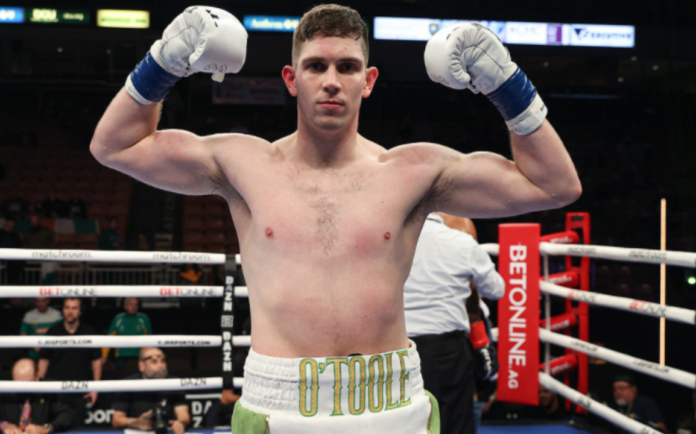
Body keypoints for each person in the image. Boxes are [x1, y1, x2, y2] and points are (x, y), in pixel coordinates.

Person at [90, 5, 580, 433]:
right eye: (315, 66)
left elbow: (554, 185)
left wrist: (506, 84)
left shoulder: (415, 171)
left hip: (392, 402)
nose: (330, 80)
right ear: (290, 78)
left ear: (367, 82)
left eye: (347, 67)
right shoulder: (242, 164)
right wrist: (164, 61)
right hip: (276, 404)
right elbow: (113, 146)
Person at [404, 213, 504, 433]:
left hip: (399, 347)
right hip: (447, 350)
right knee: (455, 421)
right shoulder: (461, 241)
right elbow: (496, 290)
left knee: (404, 421)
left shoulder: (393, 242)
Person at [38, 298, 102, 414]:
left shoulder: (89, 332)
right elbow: (44, 359)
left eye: (74, 308)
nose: (70, 311)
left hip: (81, 391)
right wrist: (39, 386)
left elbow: (96, 361)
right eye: (67, 308)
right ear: (63, 310)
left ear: (80, 311)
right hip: (56, 391)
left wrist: (95, 388)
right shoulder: (53, 332)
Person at [111, 348, 190, 434]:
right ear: (142, 366)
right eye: (154, 361)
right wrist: (134, 422)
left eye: (162, 361)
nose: (160, 365)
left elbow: (183, 415)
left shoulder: (174, 383)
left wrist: (181, 423)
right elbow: (116, 420)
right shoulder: (129, 384)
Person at [0, 359, 75, 434]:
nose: (21, 388)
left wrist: (47, 428)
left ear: (37, 377)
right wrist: (3, 425)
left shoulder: (49, 389)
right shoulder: (5, 389)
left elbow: (67, 414)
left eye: (26, 384)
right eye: (17, 383)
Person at [102, 297, 152, 370]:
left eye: (136, 305)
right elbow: (108, 338)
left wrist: (148, 355)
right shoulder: (118, 318)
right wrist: (104, 356)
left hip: (139, 356)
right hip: (122, 357)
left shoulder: (144, 318)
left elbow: (149, 338)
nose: (134, 307)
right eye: (131, 304)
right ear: (125, 306)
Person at [22, 215, 56, 285]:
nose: (33, 222)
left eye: (35, 221)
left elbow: (56, 238)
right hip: (31, 258)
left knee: (44, 276)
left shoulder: (46, 230)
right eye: (32, 221)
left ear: (38, 221)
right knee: (31, 277)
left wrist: (50, 249)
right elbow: (24, 243)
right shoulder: (27, 232)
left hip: (44, 258)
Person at [0, 218, 24, 284]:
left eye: (13, 223)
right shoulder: (1, 233)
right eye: (10, 223)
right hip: (3, 255)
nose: (12, 225)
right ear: (6, 224)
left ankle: (15, 283)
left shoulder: (15, 235)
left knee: (18, 263)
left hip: (13, 257)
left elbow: (19, 246)